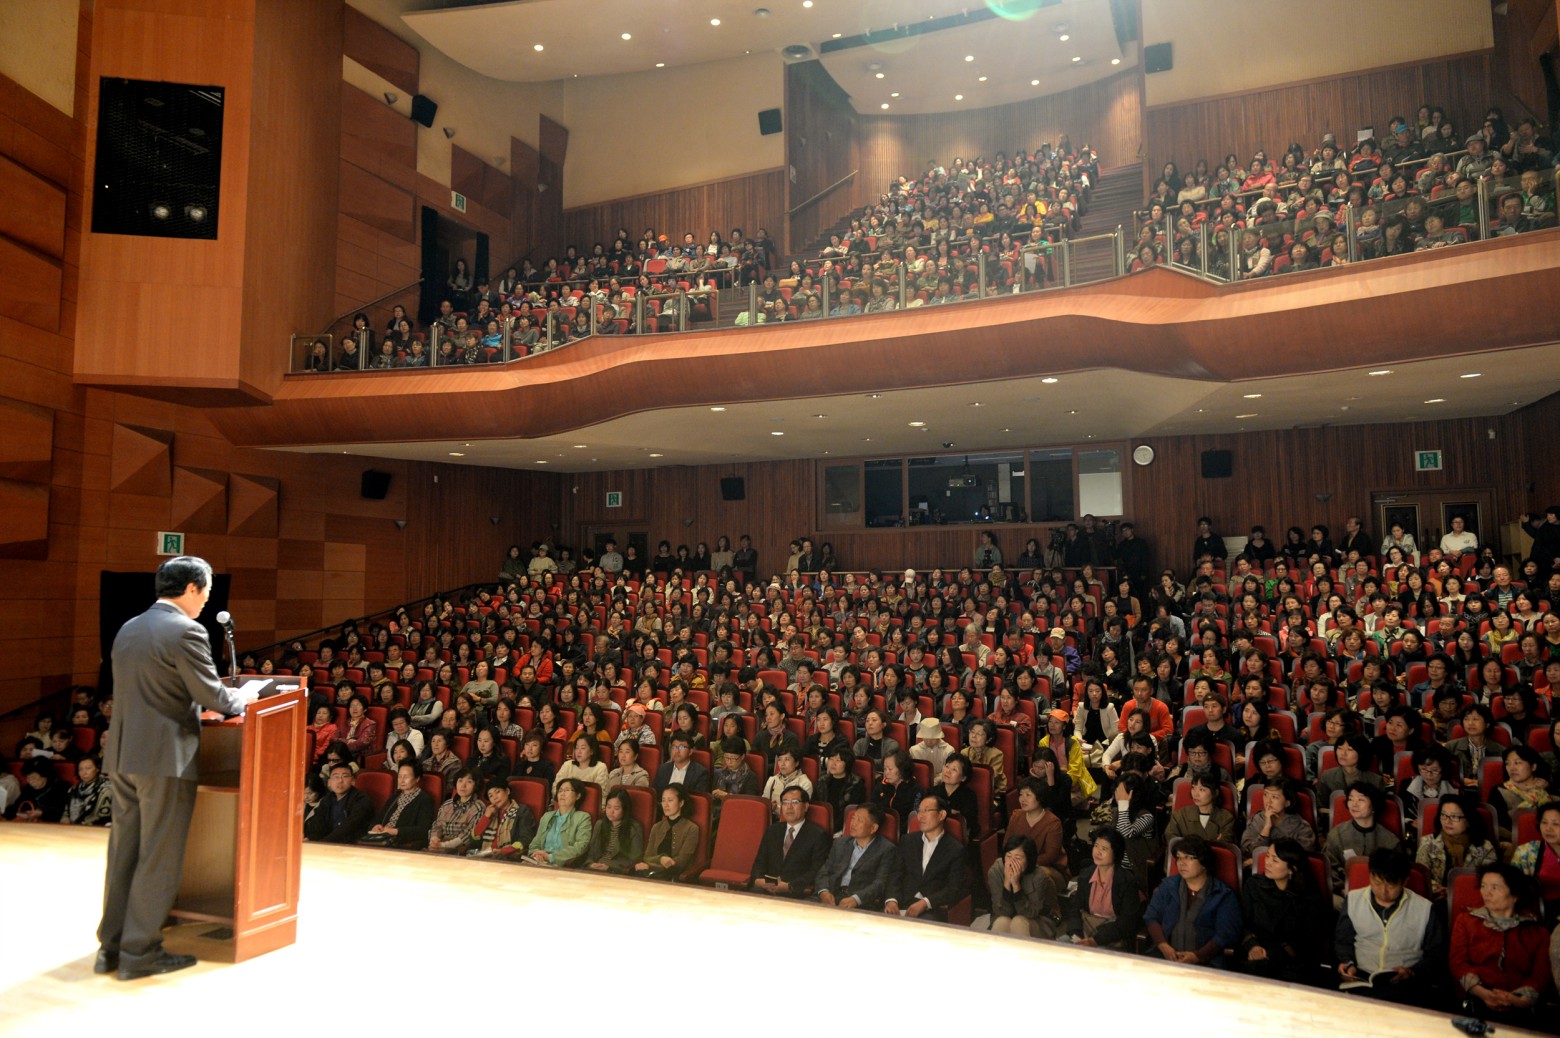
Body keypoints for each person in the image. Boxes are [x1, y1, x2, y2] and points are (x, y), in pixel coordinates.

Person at [96, 556, 258, 981]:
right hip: (164, 759)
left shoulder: (129, 628)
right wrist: (245, 698)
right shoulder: (186, 630)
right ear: (190, 588)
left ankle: (111, 946)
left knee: (124, 853)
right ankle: (140, 952)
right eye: (205, 591)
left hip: (124, 756)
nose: (206, 600)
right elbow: (213, 696)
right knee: (159, 856)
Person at [1334, 848, 1445, 1003]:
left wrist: (1413, 971)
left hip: (1405, 982)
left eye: (1391, 886)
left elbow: (1435, 953)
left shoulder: (1424, 909)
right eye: (1377, 883)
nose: (1383, 891)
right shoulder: (1354, 900)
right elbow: (1343, 940)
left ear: (1404, 881)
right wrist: (1347, 963)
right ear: (1370, 875)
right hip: (1362, 976)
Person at [1449, 864, 1551, 1024]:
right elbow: (1458, 963)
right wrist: (1484, 994)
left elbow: (1540, 976)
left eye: (1495, 887)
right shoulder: (1466, 921)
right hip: (1476, 1002)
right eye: (1483, 886)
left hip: (1521, 1008)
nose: (1486, 893)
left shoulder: (1537, 932)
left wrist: (1518, 1000)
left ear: (1515, 894)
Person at [1144, 835, 1242, 967]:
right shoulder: (1167, 886)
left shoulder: (1223, 895)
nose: (1181, 863)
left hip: (1206, 962)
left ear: (1204, 863)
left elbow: (1225, 934)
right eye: (1179, 857)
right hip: (1165, 956)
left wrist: (1197, 956)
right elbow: (1151, 917)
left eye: (1189, 858)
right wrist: (1163, 946)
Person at [1239, 837, 1323, 983]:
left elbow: (1306, 940)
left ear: (1292, 869)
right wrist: (1253, 947)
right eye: (1268, 856)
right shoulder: (1254, 885)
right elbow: (1242, 922)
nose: (1267, 862)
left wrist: (1270, 954)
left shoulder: (1309, 896)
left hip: (1291, 961)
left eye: (1275, 860)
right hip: (1254, 954)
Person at [748, 786, 831, 897]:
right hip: (765, 889)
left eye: (795, 802)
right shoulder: (772, 830)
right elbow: (759, 862)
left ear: (806, 806)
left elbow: (816, 871)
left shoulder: (817, 835)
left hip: (796, 893)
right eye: (785, 802)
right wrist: (758, 880)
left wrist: (790, 886)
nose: (789, 807)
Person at [815, 802, 898, 911]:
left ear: (873, 828)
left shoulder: (886, 849)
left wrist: (856, 899)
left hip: (861, 903)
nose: (853, 823)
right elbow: (824, 871)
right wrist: (824, 892)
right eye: (853, 818)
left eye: (860, 820)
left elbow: (880, 883)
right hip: (831, 896)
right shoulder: (840, 843)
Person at [1416, 793, 1499, 897]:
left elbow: (1489, 880)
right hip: (1435, 898)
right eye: (1444, 815)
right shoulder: (1428, 842)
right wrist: (1440, 890)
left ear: (1468, 820)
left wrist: (1454, 892)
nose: (1448, 821)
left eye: (1454, 817)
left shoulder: (1485, 847)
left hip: (1470, 897)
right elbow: (1421, 878)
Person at [986, 833, 1060, 937]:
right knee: (1001, 921)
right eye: (1008, 856)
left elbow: (1031, 913)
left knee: (1018, 922)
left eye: (1018, 857)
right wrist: (1007, 883)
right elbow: (1000, 911)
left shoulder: (1039, 876)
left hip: (1036, 921)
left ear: (1029, 860)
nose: (1011, 862)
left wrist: (1016, 885)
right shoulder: (996, 871)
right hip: (1004, 917)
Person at [361, 760, 434, 849]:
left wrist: (396, 831)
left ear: (417, 778)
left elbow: (423, 830)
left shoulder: (424, 800)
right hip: (383, 838)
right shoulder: (394, 797)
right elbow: (378, 819)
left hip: (400, 843)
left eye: (406, 777)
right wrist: (375, 826)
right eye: (399, 776)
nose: (402, 780)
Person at [636, 783, 701, 880]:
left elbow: (681, 861)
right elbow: (647, 857)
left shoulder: (691, 828)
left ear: (681, 803)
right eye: (663, 800)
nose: (665, 805)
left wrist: (651, 866)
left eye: (670, 800)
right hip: (653, 872)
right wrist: (660, 859)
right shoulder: (657, 827)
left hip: (675, 875)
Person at [524, 777, 593, 867]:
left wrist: (550, 857)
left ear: (578, 796)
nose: (562, 794)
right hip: (539, 862)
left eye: (567, 790)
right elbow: (535, 843)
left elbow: (581, 846)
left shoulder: (583, 817)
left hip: (562, 865)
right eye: (560, 791)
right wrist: (536, 853)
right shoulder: (546, 816)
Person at [306, 761, 374, 843]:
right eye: (335, 777)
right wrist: (310, 839)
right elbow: (317, 824)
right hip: (326, 844)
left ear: (353, 780)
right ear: (329, 782)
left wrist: (323, 843)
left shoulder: (361, 800)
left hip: (352, 844)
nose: (340, 781)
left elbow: (349, 828)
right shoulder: (326, 800)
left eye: (345, 776)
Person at [585, 787, 645, 873]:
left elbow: (635, 859)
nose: (611, 811)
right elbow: (591, 853)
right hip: (596, 868)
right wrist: (590, 864)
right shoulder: (600, 824)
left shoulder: (634, 828)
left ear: (624, 809)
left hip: (617, 871)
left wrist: (610, 867)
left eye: (616, 808)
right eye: (608, 807)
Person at [427, 768, 484, 854]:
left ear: (476, 785)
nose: (463, 785)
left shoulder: (478, 807)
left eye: (469, 782)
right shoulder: (447, 804)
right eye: (460, 781)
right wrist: (434, 839)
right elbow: (437, 826)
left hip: (460, 849)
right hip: (439, 846)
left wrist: (443, 845)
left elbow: (468, 835)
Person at [66, 755, 112, 826]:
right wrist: (65, 820)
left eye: (88, 768)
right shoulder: (73, 789)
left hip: (96, 827)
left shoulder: (106, 789)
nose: (84, 773)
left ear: (97, 769)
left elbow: (104, 817)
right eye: (80, 769)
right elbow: (66, 812)